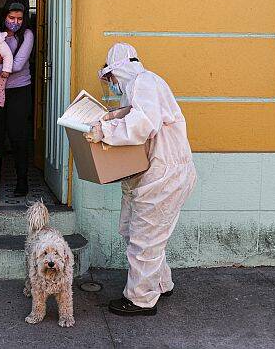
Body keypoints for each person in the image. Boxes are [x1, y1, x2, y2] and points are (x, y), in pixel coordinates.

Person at [84, 43, 197, 317]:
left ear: (118, 71)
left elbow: (142, 125)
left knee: (145, 238)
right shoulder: (140, 86)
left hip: (163, 176)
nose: (110, 83)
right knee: (139, 232)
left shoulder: (144, 83)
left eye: (110, 77)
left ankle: (141, 299)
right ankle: (160, 283)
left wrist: (104, 130)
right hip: (155, 174)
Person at [0, 0, 35, 197]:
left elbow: (19, 64)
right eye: (11, 17)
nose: (15, 22)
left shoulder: (27, 35)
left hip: (19, 92)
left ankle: (22, 182)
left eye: (20, 18)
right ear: (4, 17)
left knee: (18, 136)